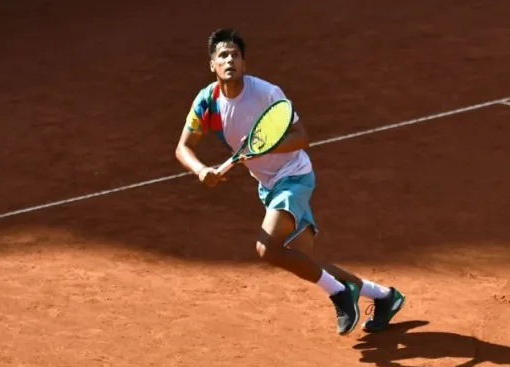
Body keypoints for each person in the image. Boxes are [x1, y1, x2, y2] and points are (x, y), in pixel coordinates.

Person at [174, 28, 405, 335]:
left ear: (244, 63)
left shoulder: (267, 94)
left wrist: (267, 146)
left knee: (266, 247)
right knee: (306, 261)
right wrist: (202, 171)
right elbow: (183, 147)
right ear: (212, 65)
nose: (230, 60)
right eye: (223, 55)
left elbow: (302, 137)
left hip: (294, 177)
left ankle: (339, 294)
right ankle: (385, 296)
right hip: (267, 186)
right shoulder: (206, 101)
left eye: (236, 55)